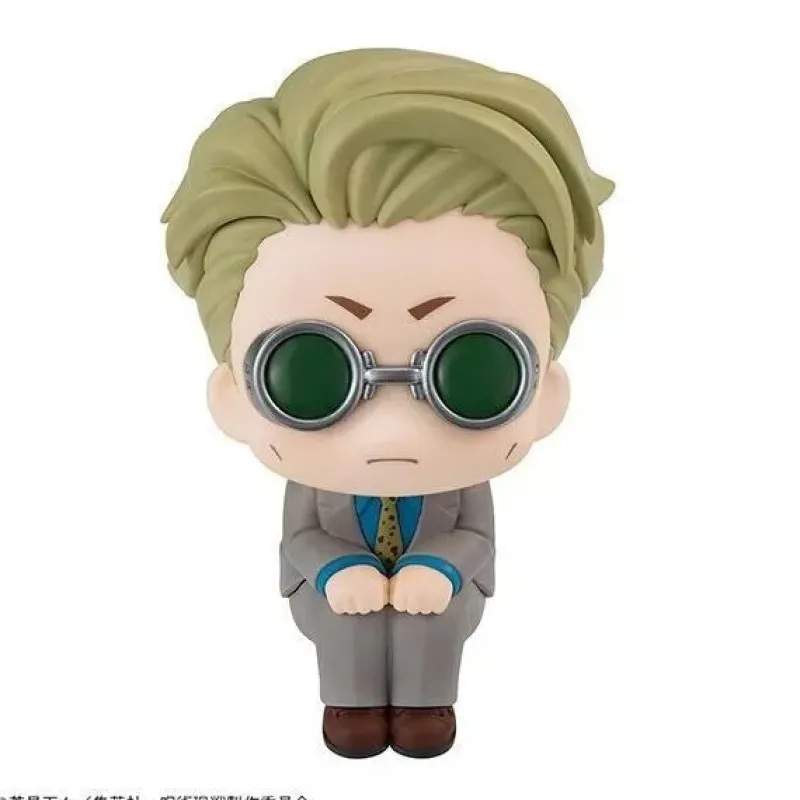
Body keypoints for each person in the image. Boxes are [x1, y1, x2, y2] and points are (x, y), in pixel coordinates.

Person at [162, 48, 613, 759]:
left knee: (434, 619)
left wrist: (441, 566)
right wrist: (337, 569)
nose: (394, 428)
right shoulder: (311, 484)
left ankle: (427, 704)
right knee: (346, 621)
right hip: (332, 593)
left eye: (473, 372)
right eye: (313, 375)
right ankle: (349, 703)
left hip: (443, 590)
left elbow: (476, 536)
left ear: (545, 393)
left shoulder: (463, 483)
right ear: (234, 397)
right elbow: (301, 539)